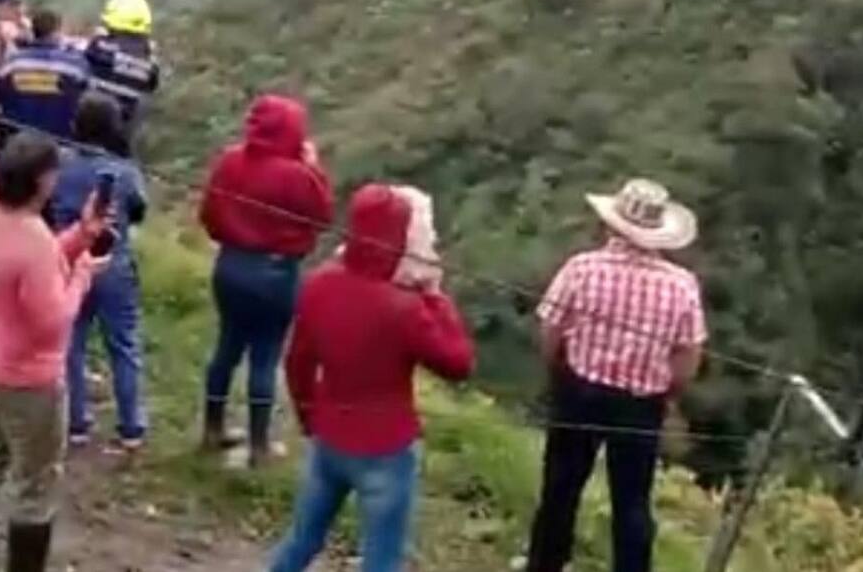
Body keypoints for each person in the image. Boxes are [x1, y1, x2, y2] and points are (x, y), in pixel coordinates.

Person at [270, 184, 475, 572]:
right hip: (386, 448)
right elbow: (459, 363)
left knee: (301, 539)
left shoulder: (320, 283)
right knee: (382, 559)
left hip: (328, 436)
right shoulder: (404, 308)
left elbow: (298, 361)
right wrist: (435, 294)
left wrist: (308, 417)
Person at [0, 132, 108, 572]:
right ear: (41, 180)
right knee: (36, 484)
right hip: (30, 379)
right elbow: (51, 321)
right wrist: (83, 277)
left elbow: (27, 271)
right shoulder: (32, 236)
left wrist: (80, 236)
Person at [524, 179, 707, 572]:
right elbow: (689, 351)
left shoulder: (582, 268)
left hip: (580, 389)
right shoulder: (681, 285)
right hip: (641, 402)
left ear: (612, 224)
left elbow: (551, 327)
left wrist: (557, 369)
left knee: (561, 487)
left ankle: (545, 564)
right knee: (632, 499)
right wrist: (669, 393)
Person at [199, 94, 334, 465]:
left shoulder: (229, 161)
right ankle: (259, 445)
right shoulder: (297, 175)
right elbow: (323, 216)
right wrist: (314, 168)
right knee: (265, 355)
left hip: (229, 267)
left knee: (227, 345)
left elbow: (208, 212)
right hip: (276, 274)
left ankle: (213, 428)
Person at [49, 93, 148, 451]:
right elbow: (138, 210)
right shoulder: (124, 171)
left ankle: (74, 423)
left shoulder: (58, 163)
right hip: (113, 263)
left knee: (70, 344)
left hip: (68, 258)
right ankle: (131, 426)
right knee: (123, 344)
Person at [0, 8, 88, 161]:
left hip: (17, 148)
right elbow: (86, 104)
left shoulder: (12, 63)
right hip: (59, 149)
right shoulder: (75, 65)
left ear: (33, 30)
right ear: (57, 30)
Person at [83, 0, 160, 149]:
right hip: (123, 141)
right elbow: (152, 84)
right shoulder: (150, 62)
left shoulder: (100, 47)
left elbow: (85, 58)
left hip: (86, 135)